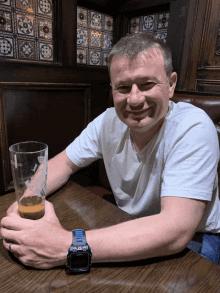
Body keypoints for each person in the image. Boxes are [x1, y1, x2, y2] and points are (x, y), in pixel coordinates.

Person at [1, 33, 220, 269]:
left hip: (195, 240)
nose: (134, 100)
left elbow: (176, 229)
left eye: (147, 84)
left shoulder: (192, 126)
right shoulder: (108, 121)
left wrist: (66, 245)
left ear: (171, 84)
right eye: (123, 88)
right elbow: (63, 163)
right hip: (128, 223)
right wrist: (29, 200)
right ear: (112, 89)